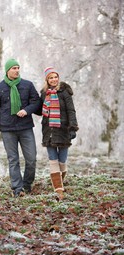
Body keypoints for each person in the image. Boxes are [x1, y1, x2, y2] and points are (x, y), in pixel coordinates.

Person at [0, 58, 42, 197]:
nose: (17, 70)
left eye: (18, 68)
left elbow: (37, 102)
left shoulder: (28, 85)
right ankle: (17, 189)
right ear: (7, 70)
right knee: (13, 160)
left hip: (25, 128)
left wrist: (27, 110)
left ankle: (26, 185)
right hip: (7, 130)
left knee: (31, 159)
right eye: (14, 68)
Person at [40, 67, 79, 200]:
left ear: (58, 77)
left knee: (62, 160)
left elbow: (71, 111)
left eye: (55, 77)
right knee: (52, 160)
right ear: (47, 80)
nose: (53, 79)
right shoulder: (44, 93)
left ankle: (59, 183)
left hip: (63, 130)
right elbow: (40, 109)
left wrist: (73, 127)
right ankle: (59, 190)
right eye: (50, 77)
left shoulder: (64, 92)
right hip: (48, 130)